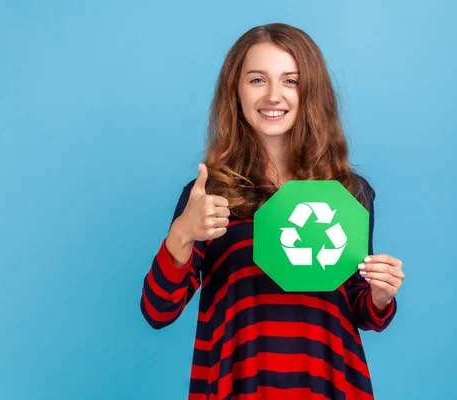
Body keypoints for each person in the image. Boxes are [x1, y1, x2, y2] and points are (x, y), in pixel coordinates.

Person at [140, 22, 405, 400]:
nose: (274, 96)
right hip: (240, 384)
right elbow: (157, 311)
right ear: (236, 90)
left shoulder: (349, 192)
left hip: (329, 384)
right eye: (257, 80)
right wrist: (181, 234)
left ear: (311, 91)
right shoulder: (209, 194)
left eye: (291, 81)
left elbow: (362, 310)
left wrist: (381, 294)